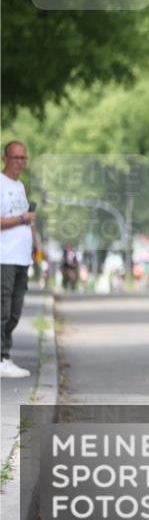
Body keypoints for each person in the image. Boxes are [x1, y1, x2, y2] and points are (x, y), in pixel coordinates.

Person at [1, 141, 38, 378]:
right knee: (2, 309)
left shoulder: (21, 186)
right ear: (5, 158)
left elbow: (27, 220)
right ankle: (2, 357)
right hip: (3, 257)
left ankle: (4, 356)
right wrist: (22, 219)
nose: (20, 162)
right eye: (15, 157)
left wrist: (34, 244)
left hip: (21, 258)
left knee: (15, 311)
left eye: (23, 158)